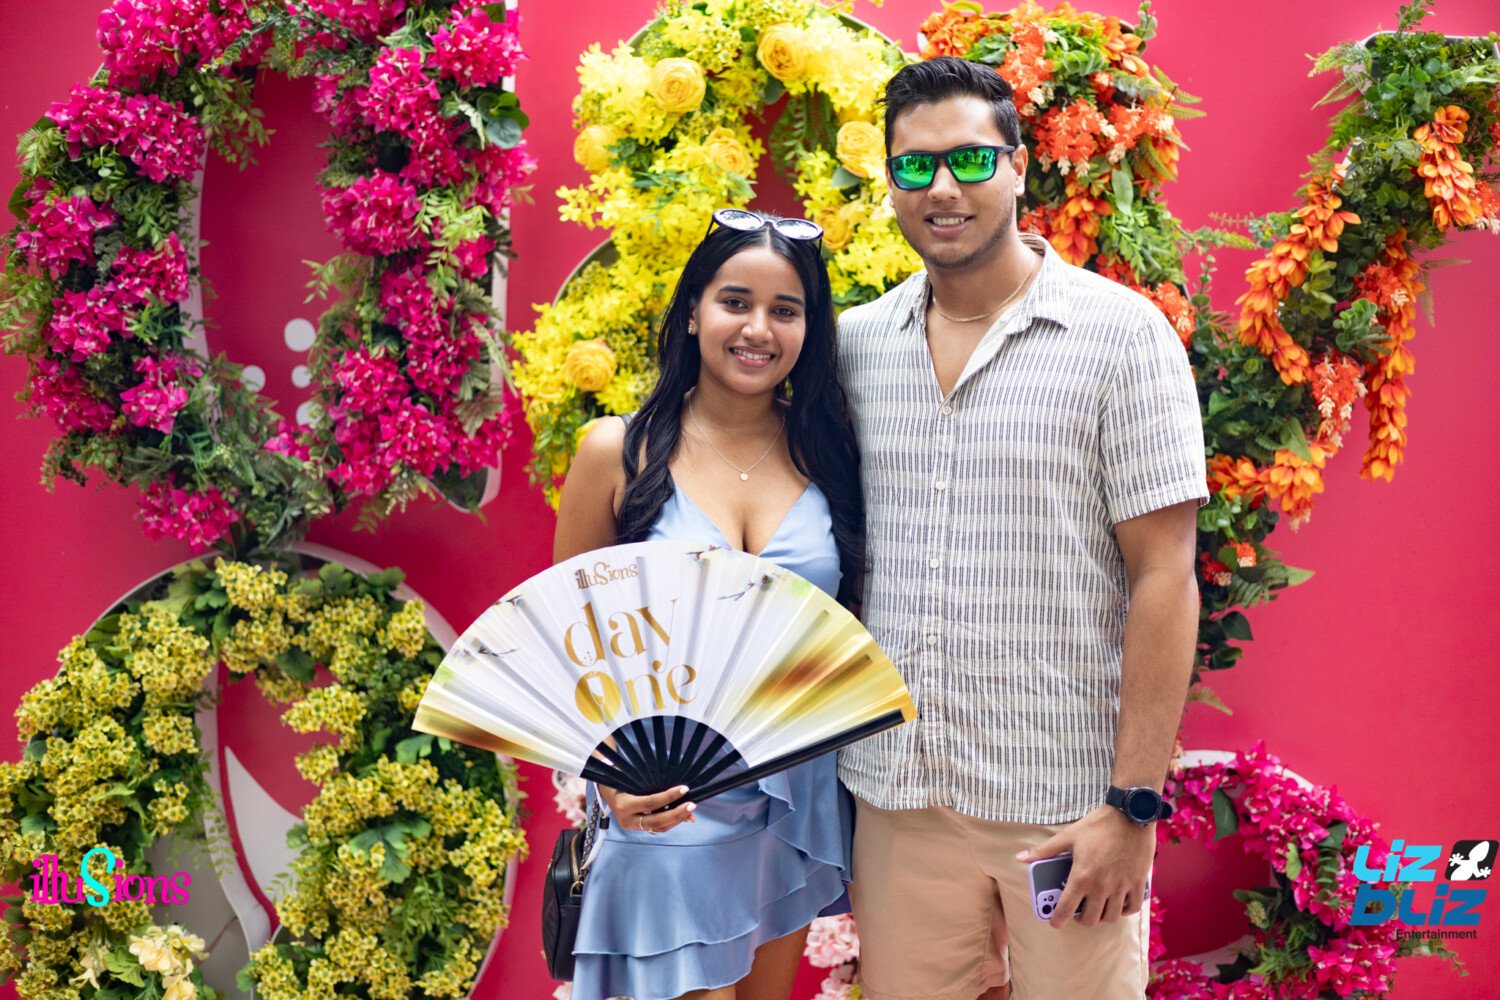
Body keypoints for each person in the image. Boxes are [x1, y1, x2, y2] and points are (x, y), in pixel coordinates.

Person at [835, 58, 1207, 1000]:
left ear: (1017, 167)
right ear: (891, 181)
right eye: (914, 166)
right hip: (900, 795)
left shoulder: (1121, 337)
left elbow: (1165, 575)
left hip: (1065, 803)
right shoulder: (857, 346)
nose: (943, 188)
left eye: (969, 159)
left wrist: (1133, 805)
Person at [553, 208, 865, 1000]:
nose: (757, 328)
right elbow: (565, 640)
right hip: (664, 801)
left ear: (808, 330)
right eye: (735, 302)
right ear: (693, 311)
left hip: (791, 801)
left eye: (785, 310)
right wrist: (608, 776)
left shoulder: (831, 454)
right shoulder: (615, 452)